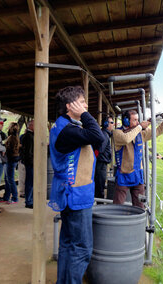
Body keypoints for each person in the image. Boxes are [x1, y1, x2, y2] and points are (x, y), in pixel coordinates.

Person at [48, 86, 104, 284]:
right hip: (76, 196)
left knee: (68, 245)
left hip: (70, 193)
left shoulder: (66, 127)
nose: (86, 106)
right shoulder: (67, 130)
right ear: (70, 106)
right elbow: (99, 137)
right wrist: (86, 114)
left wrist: (83, 116)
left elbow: (99, 143)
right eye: (82, 102)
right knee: (81, 249)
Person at [112, 110, 163, 208]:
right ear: (126, 121)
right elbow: (126, 139)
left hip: (138, 176)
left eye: (138, 120)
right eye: (135, 120)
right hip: (123, 176)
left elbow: (157, 132)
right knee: (116, 207)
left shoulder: (140, 133)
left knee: (140, 207)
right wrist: (140, 127)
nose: (137, 122)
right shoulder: (117, 132)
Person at [94, 115, 114, 199]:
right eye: (112, 123)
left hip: (101, 164)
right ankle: (100, 207)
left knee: (99, 186)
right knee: (100, 187)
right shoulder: (105, 135)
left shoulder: (105, 134)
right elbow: (100, 149)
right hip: (101, 164)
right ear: (106, 124)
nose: (113, 124)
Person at [3, 122, 20, 204]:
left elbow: (10, 149)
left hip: (10, 159)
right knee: (8, 178)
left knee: (10, 179)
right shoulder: (16, 137)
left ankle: (14, 197)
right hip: (13, 158)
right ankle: (7, 196)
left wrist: (4, 148)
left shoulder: (11, 138)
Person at [20, 120, 34, 209]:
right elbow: (29, 151)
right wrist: (31, 161)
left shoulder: (29, 136)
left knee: (31, 181)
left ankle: (30, 200)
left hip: (30, 161)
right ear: (30, 126)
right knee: (30, 182)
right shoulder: (29, 137)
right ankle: (29, 201)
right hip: (30, 162)